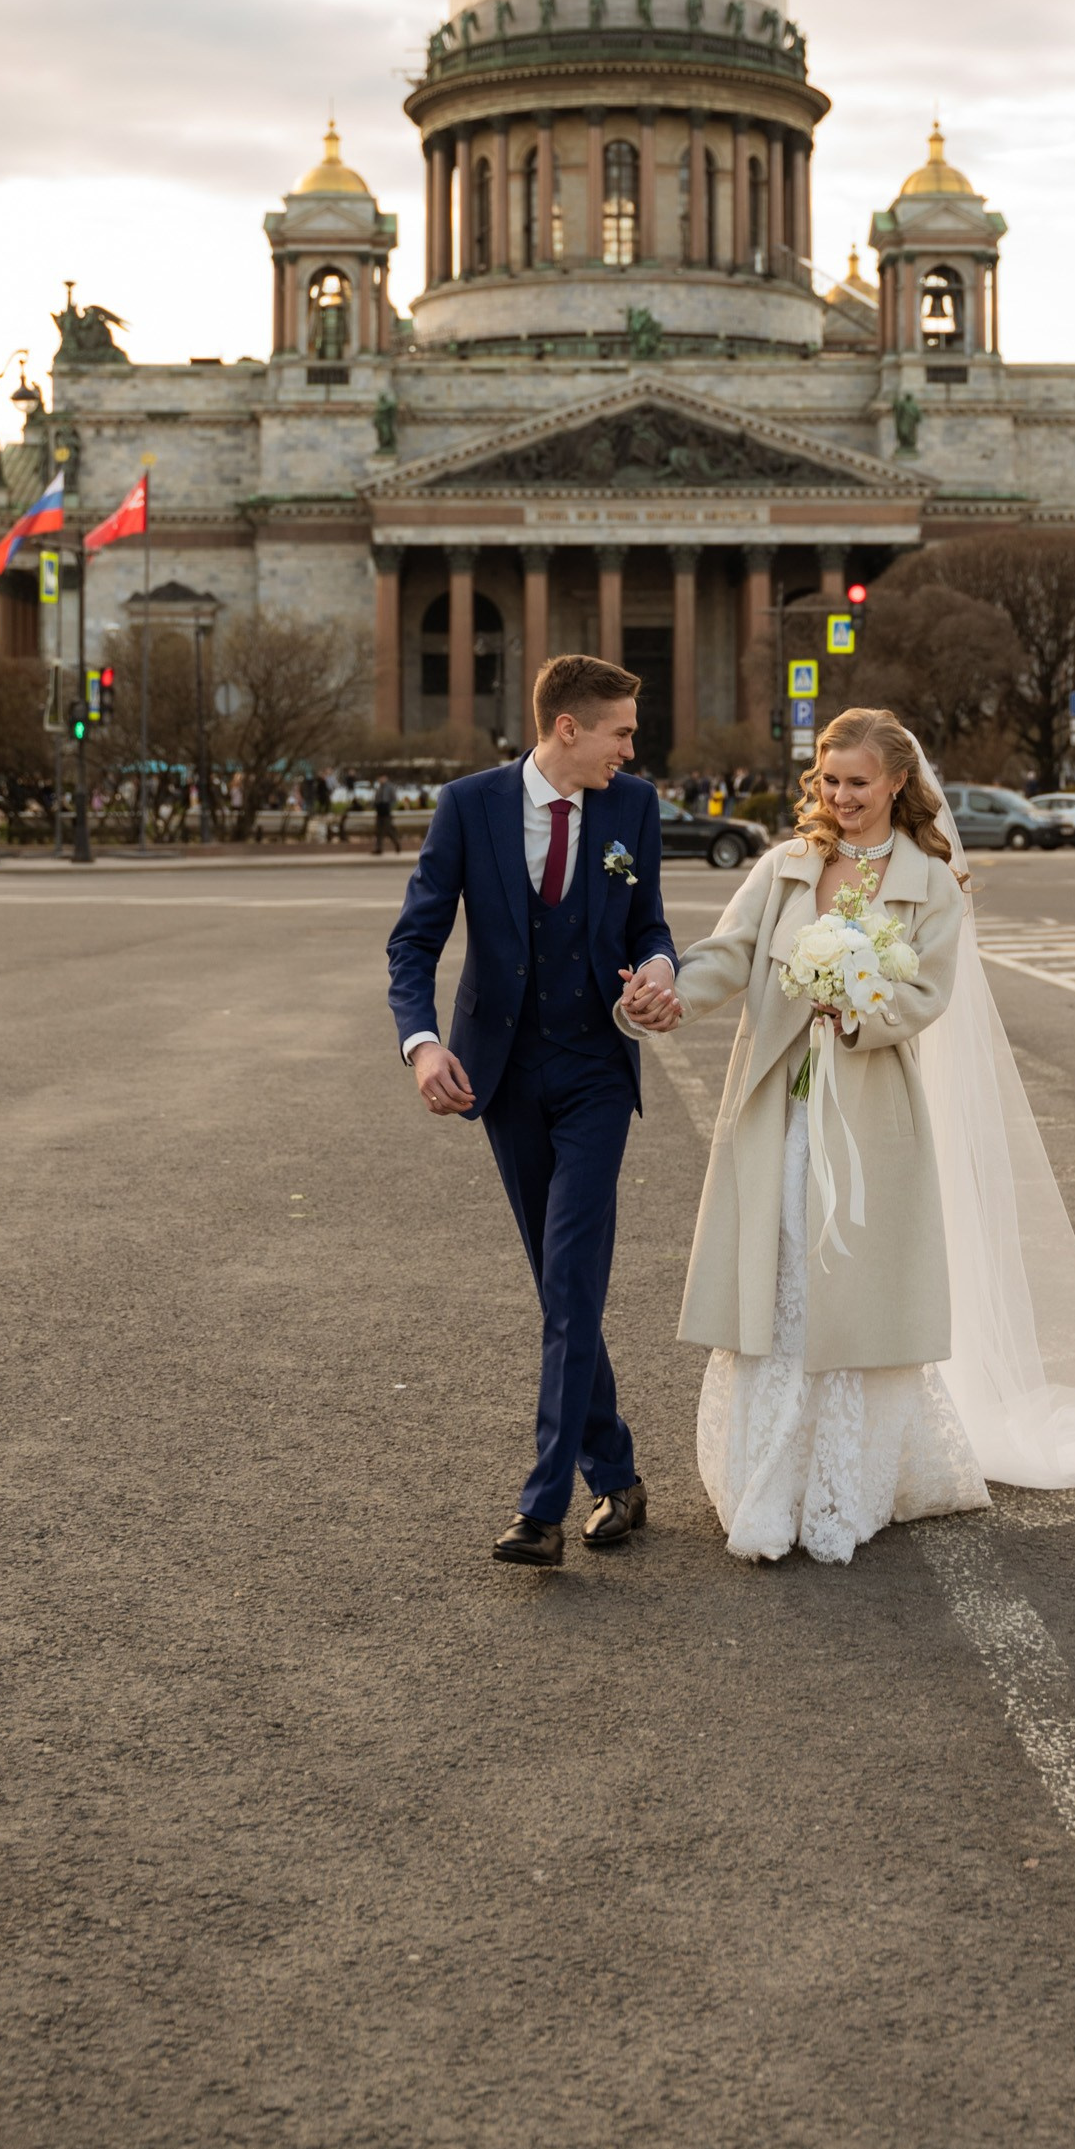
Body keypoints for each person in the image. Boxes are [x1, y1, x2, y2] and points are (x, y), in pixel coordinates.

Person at [639, 706, 1075, 1564]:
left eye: (858, 782)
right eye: (829, 779)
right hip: (779, 1104)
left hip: (871, 1112)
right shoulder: (784, 867)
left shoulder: (932, 882)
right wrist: (666, 995)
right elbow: (730, 953)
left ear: (896, 782)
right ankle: (766, 1480)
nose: (841, 796)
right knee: (780, 1275)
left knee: (850, 1285)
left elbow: (927, 994)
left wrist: (853, 1010)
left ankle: (844, 1488)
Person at [388, 655, 680, 1568]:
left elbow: (650, 927)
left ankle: (543, 1505)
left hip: (597, 1068)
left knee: (571, 1277)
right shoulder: (467, 806)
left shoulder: (633, 808)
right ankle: (620, 1478)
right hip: (501, 1074)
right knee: (560, 1290)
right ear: (568, 728)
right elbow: (415, 939)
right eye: (622, 732)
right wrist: (422, 1042)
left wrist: (663, 969)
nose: (632, 749)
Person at [371, 773, 403, 856]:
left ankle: (397, 844)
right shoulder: (378, 788)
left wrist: (389, 807)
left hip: (386, 811)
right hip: (379, 811)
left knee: (389, 830)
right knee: (378, 831)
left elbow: (394, 799)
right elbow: (376, 799)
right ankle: (379, 848)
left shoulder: (390, 787)